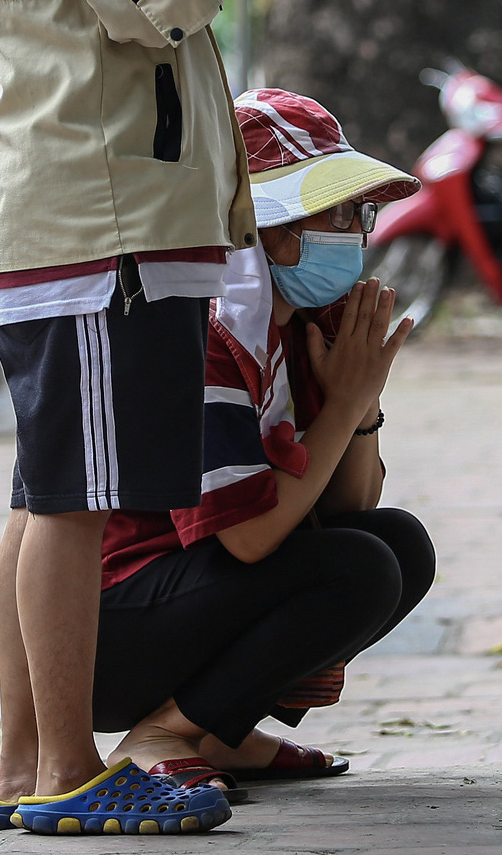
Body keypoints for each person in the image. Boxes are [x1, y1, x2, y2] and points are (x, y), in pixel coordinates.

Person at [0, 0, 264, 838]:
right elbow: (165, 2)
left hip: (101, 215)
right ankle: (65, 772)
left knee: (52, 493)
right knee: (72, 498)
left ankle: (28, 759)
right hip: (100, 222)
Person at [89, 89, 434, 790]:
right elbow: (247, 540)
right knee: (357, 570)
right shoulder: (207, 330)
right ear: (260, 224)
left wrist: (359, 401)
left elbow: (349, 507)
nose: (352, 231)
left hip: (198, 597)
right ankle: (161, 733)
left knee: (397, 545)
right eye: (330, 210)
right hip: (117, 628)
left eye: (355, 212)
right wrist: (342, 404)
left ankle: (221, 731)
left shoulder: (301, 318)